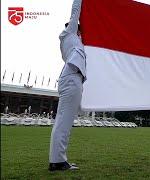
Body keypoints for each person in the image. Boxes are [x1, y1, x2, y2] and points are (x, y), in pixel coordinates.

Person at [49, 0, 86, 171]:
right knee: (64, 122)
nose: (79, 31)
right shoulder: (68, 33)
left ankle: (58, 159)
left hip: (73, 78)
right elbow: (75, 11)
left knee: (64, 121)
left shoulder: (73, 42)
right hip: (71, 78)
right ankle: (57, 161)